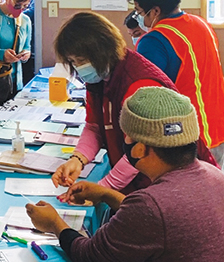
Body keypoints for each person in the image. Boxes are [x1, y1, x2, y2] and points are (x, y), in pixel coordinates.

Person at [27, 87, 224, 262]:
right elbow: (164, 221)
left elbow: (90, 254)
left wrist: (54, 224)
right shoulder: (215, 176)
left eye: (127, 135)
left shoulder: (150, 206)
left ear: (139, 149)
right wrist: (106, 194)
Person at [51, 12, 217, 194]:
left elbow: (142, 149)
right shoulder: (99, 79)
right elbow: (95, 126)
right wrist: (77, 159)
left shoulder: (138, 85)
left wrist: (104, 188)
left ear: (101, 50)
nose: (78, 68)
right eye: (73, 62)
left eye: (81, 61)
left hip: (169, 184)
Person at [127, 0, 224, 167]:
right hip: (216, 126)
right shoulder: (202, 24)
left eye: (139, 10)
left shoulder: (154, 40)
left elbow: (146, 95)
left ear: (155, 11)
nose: (138, 17)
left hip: (185, 135)